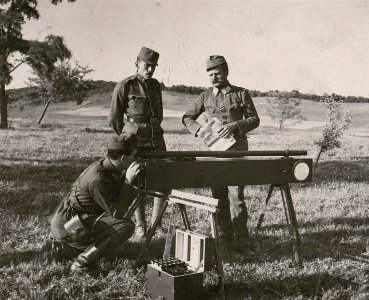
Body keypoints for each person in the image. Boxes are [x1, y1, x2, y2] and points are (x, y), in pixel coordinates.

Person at [182, 55, 260, 256]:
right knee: (218, 196)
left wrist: (235, 126)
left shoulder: (241, 93)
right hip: (215, 153)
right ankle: (225, 238)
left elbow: (254, 119)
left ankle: (242, 242)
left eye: (217, 73)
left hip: (237, 152)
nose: (213, 77)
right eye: (210, 74)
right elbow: (187, 117)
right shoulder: (205, 96)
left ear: (226, 72)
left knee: (237, 197)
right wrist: (199, 131)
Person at [49, 134, 141, 273]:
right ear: (123, 158)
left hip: (77, 218)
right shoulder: (97, 179)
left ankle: (69, 246)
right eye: (135, 155)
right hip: (70, 225)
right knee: (125, 226)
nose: (137, 159)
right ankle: (82, 261)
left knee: (110, 248)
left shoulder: (106, 165)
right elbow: (118, 213)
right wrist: (128, 182)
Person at [108, 47, 167, 239]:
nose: (150, 70)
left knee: (161, 180)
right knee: (136, 181)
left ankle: (156, 224)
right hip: (134, 141)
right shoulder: (125, 85)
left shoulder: (155, 86)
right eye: (146, 65)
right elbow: (115, 119)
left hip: (156, 139)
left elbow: (159, 114)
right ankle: (141, 225)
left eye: (153, 67)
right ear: (137, 64)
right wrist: (127, 138)